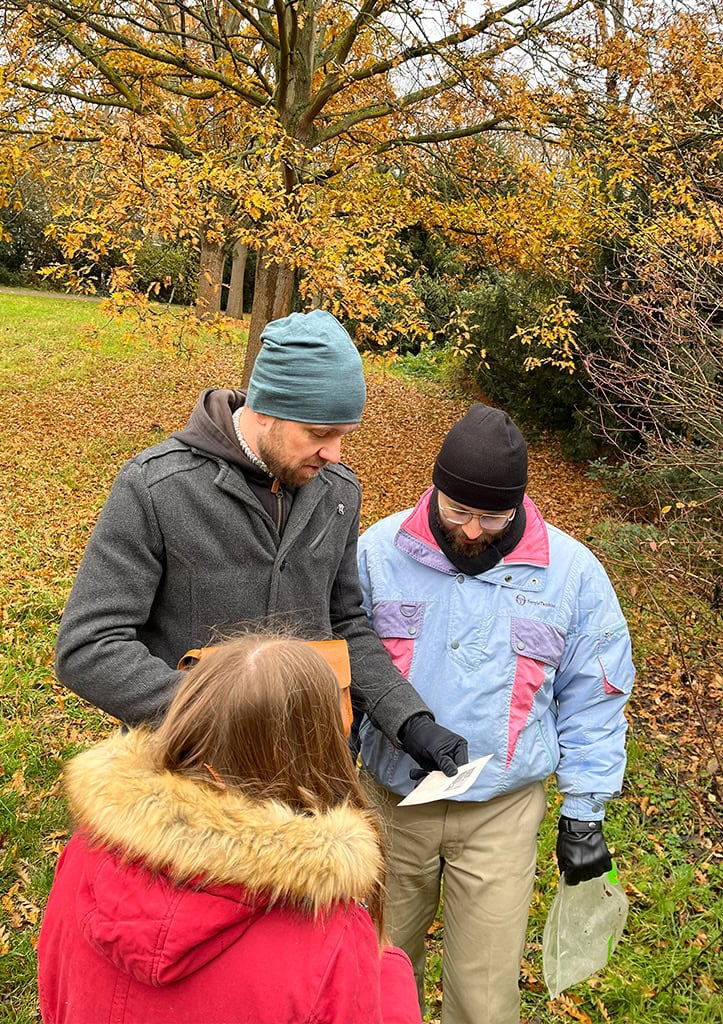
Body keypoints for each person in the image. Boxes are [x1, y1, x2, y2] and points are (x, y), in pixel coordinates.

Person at [55, 309, 467, 776]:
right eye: (319, 433)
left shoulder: (339, 493)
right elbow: (88, 647)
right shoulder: (157, 488)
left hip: (306, 777)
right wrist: (215, 714)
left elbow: (343, 620)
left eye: (343, 435)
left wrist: (409, 720)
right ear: (266, 410)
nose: (334, 454)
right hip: (186, 776)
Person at [355, 403, 635, 1024]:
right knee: (371, 975)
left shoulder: (572, 576)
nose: (474, 530)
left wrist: (584, 813)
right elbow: (339, 668)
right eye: (459, 511)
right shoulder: (376, 554)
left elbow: (596, 698)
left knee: (484, 1002)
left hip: (500, 816)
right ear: (435, 489)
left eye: (493, 515)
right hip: (387, 805)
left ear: (519, 504)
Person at [38, 633, 422, 1024]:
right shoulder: (334, 938)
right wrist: (386, 973)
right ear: (318, 752)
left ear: (190, 719)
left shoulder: (85, 854)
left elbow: (55, 988)